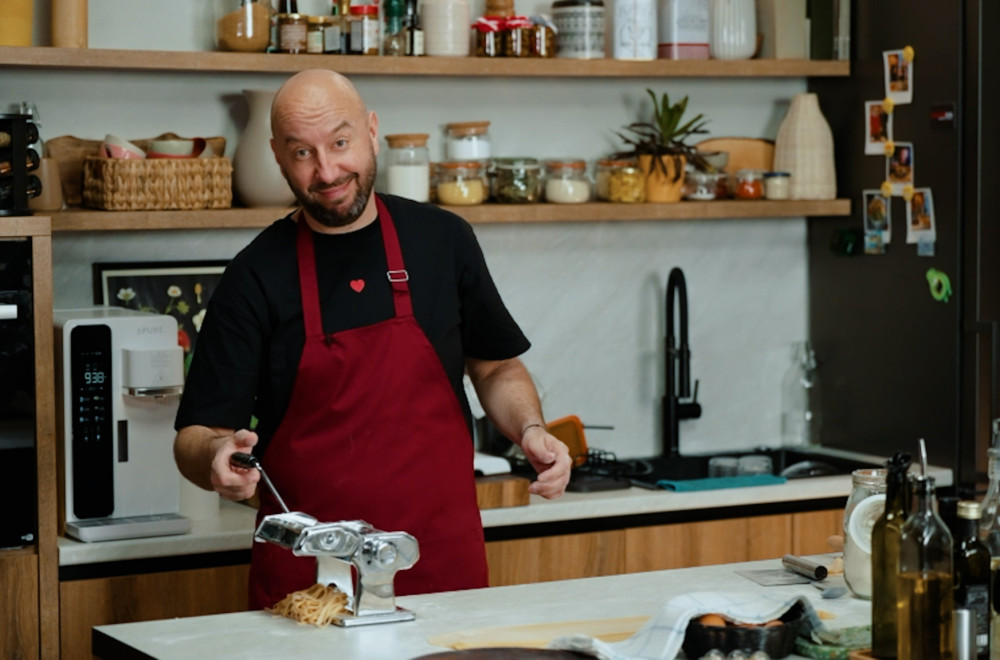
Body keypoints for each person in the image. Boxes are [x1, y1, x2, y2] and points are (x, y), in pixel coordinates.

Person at [173, 69, 571, 609]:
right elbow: (198, 433)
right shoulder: (254, 276)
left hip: (439, 569)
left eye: (340, 143)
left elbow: (495, 367)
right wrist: (217, 455)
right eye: (302, 153)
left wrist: (530, 429)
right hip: (311, 585)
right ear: (276, 155)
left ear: (372, 131)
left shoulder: (443, 241)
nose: (328, 170)